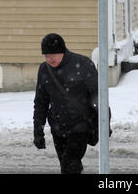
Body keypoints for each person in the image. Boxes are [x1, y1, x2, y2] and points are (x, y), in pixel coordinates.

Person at [33, 33, 100, 174]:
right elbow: (41, 102)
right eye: (46, 55)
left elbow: (98, 96)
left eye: (53, 55)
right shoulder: (44, 70)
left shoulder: (83, 64)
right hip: (58, 128)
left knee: (69, 166)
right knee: (68, 166)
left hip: (80, 126)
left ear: (62, 51)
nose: (49, 59)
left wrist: (103, 122)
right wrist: (38, 132)